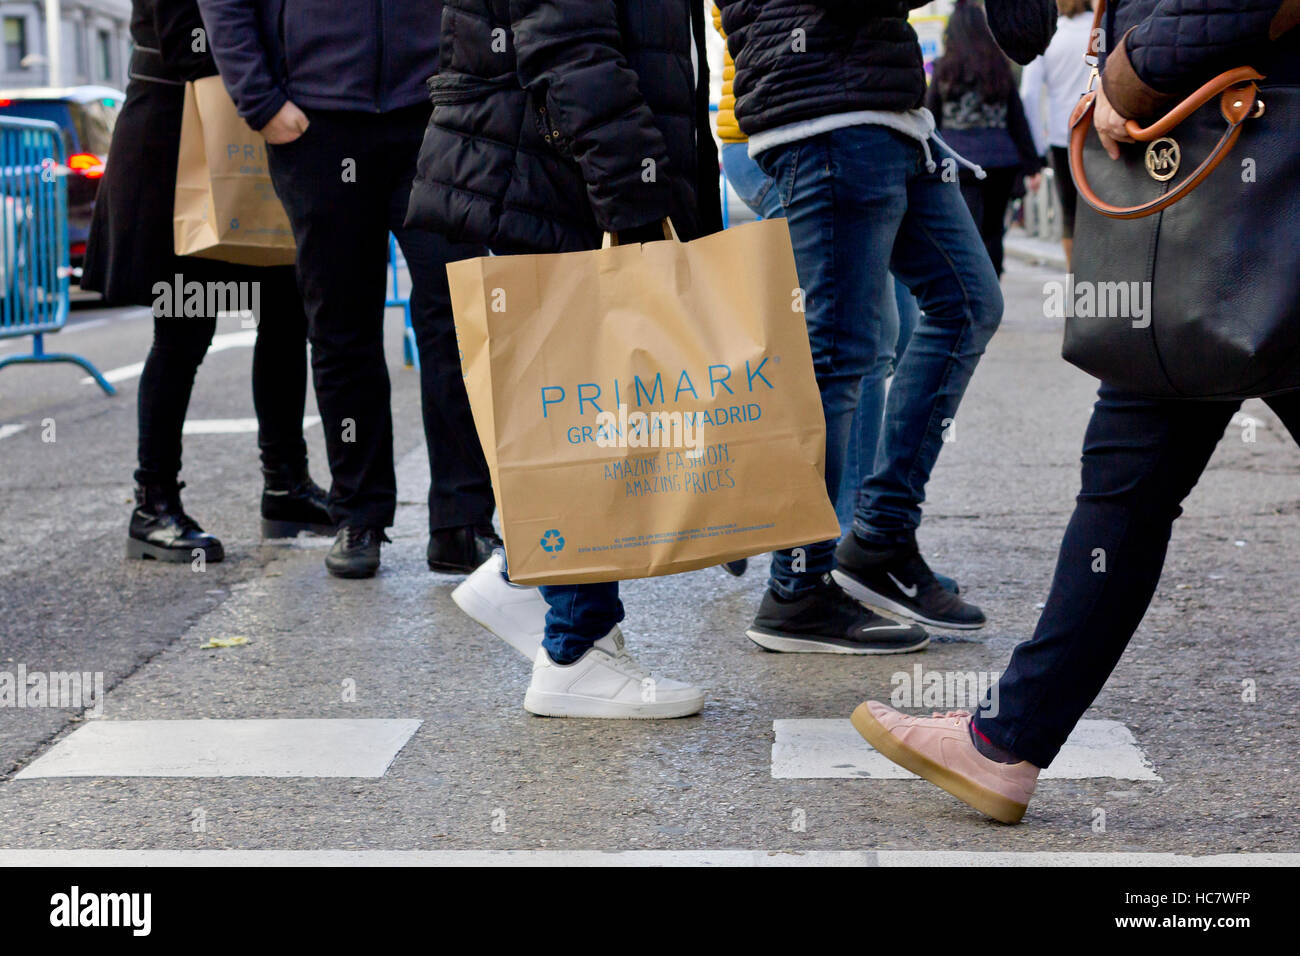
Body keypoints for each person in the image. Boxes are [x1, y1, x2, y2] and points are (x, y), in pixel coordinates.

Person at [856, 0, 1300, 824]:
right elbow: (1024, 29)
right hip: (1217, 161)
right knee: (1128, 476)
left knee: (1129, 478)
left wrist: (1135, 71)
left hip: (1255, 144)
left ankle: (1008, 739)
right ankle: (1006, 741)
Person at [407, 0, 722, 718]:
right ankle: (575, 651)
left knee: (582, 409)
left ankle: (527, 577)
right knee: (586, 417)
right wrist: (636, 197)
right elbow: (569, 43)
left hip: (556, 162)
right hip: (561, 169)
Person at [720, 0, 1055, 649]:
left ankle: (878, 537)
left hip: (891, 111)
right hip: (824, 110)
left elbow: (1025, 36)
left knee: (968, 304)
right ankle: (795, 589)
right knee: (840, 353)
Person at [199, 0, 498, 579]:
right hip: (317, 122)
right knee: (341, 326)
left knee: (457, 314)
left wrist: (482, 82)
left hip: (436, 112)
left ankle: (463, 522)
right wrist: (260, 101)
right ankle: (357, 515)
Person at [83, 0, 332, 563]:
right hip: (180, 140)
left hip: (243, 135)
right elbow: (185, 38)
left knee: (286, 315)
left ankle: (286, 486)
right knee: (183, 329)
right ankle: (152, 503)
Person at [926, 0, 1044, 278]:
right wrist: (1032, 166)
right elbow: (1017, 119)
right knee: (993, 232)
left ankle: (974, 295)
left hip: (959, 162)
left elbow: (930, 121)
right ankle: (992, 293)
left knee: (966, 233)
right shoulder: (999, 68)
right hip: (1000, 161)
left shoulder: (943, 69)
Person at [1020, 0, 1096, 267]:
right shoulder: (1101, 31)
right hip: (1102, 132)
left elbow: (1028, 94)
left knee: (1070, 214)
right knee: (1108, 209)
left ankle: (1077, 286)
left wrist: (1038, 148)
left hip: (1062, 136)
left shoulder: (1048, 37)